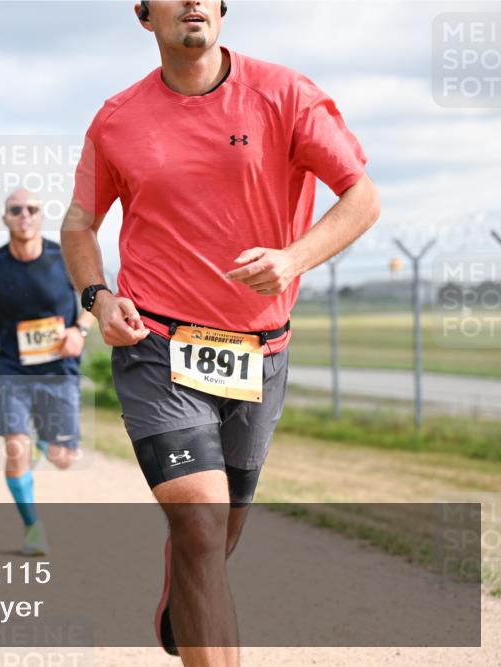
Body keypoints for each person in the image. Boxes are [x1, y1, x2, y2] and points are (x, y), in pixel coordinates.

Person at [60, 1, 380, 663]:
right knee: (201, 527)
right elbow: (78, 224)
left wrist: (292, 258)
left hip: (258, 352)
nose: (194, 1)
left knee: (216, 536)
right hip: (157, 344)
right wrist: (98, 296)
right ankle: (193, 571)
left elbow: (362, 197)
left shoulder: (286, 96)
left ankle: (183, 586)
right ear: (146, 15)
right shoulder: (117, 120)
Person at [0, 188, 95, 556]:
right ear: (5, 218)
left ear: (42, 215)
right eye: (16, 210)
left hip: (60, 369)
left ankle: (46, 442)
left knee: (62, 459)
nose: (24, 215)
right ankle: (33, 528)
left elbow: (95, 297)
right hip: (13, 370)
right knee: (15, 448)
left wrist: (81, 330)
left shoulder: (63, 258)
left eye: (32, 209)